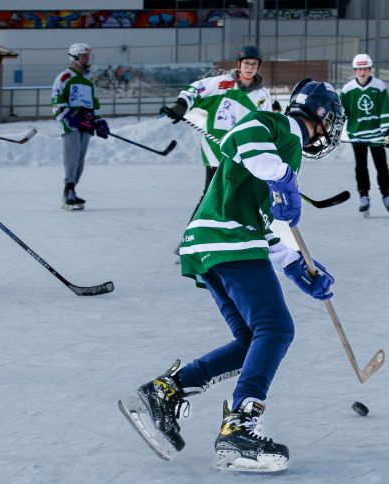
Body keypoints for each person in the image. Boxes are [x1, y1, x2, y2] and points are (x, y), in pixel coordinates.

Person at [124, 80, 345, 473]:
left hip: (212, 243)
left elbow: (267, 222)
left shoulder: (288, 152)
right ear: (325, 118)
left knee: (251, 339)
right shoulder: (282, 128)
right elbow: (241, 134)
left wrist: (296, 265)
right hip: (228, 239)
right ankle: (240, 428)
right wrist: (280, 176)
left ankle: (165, 392)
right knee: (275, 330)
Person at [160, 45, 272, 252]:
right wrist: (181, 106)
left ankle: (236, 240)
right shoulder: (221, 83)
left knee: (241, 198)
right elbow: (194, 90)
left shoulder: (262, 95)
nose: (249, 67)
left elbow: (265, 125)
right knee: (211, 197)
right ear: (239, 65)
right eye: (246, 63)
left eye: (253, 64)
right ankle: (189, 239)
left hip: (242, 155)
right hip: (216, 152)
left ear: (258, 67)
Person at [51, 43, 109, 210]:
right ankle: (67, 190)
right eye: (84, 56)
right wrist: (67, 116)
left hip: (87, 122)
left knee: (80, 159)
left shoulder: (88, 79)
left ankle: (73, 189)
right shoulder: (65, 77)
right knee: (72, 157)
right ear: (75, 57)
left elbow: (94, 101)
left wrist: (98, 121)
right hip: (71, 124)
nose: (86, 59)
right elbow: (56, 98)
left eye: (87, 56)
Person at [339, 53, 389, 217]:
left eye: (365, 69)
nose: (362, 72)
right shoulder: (347, 90)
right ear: (355, 70)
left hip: (377, 135)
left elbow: (385, 109)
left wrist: (388, 132)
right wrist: (335, 132)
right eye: (359, 69)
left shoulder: (379, 86)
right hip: (357, 135)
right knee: (361, 166)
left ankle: (386, 195)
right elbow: (341, 113)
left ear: (370, 69)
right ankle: (363, 196)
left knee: (382, 166)